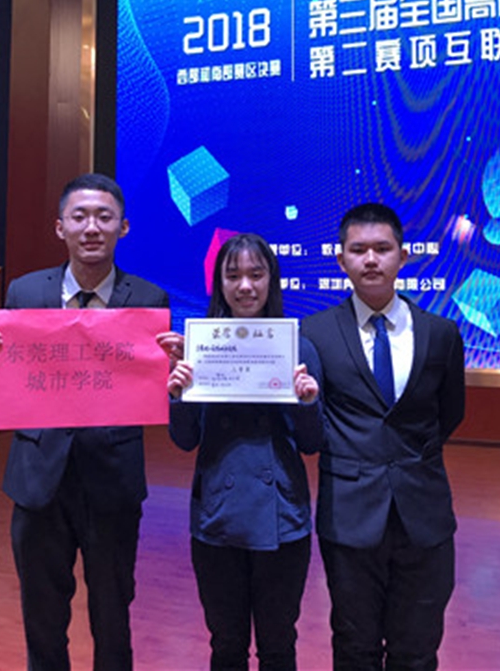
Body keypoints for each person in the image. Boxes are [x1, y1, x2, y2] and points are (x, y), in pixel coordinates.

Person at [0, 173, 169, 671]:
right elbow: (3, 383)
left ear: (123, 227)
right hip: (39, 481)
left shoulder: (149, 299)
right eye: (80, 217)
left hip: (112, 482)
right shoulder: (24, 292)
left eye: (104, 217)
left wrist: (174, 371)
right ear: (61, 227)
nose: (91, 227)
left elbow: (155, 390)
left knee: (113, 614)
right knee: (42, 614)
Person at [300, 203, 465, 671]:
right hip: (350, 517)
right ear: (341, 260)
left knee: (417, 651)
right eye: (358, 250)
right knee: (355, 649)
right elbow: (315, 420)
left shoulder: (441, 333)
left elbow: (450, 414)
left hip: (425, 517)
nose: (370, 259)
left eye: (382, 248)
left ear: (403, 256)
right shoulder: (314, 334)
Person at [158, 233, 324, 671]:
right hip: (217, 517)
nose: (245, 286)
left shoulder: (300, 347)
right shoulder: (199, 348)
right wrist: (177, 394)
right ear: (219, 283)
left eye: (256, 274)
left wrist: (308, 402)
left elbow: (312, 444)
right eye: (233, 276)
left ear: (272, 280)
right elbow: (184, 440)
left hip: (282, 519)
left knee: (278, 645)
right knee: (226, 644)